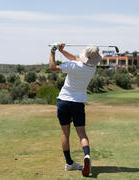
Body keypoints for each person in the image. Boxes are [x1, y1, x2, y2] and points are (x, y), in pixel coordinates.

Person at [49, 43, 102, 176]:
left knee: (65, 133)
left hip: (63, 102)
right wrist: (62, 50)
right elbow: (77, 60)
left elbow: (52, 67)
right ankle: (87, 156)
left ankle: (69, 163)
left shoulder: (72, 66)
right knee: (82, 134)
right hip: (78, 103)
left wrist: (53, 51)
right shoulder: (92, 68)